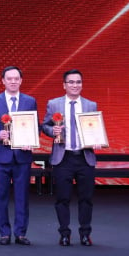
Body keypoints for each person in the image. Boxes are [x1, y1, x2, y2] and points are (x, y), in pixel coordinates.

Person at [41, 69, 101, 247]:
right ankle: (64, 234)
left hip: (85, 157)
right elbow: (45, 125)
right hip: (63, 158)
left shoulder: (91, 105)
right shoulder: (54, 104)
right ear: (64, 85)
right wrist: (53, 131)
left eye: (78, 82)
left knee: (86, 198)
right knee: (62, 198)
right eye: (71, 82)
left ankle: (85, 234)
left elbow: (94, 127)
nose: (75, 85)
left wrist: (96, 139)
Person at [0, 66, 36, 246]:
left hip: (22, 156)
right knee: (1, 196)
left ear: (21, 81)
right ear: (3, 81)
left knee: (22, 196)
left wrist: (31, 139)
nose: (13, 81)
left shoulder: (30, 101)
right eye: (9, 78)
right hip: (1, 156)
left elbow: (33, 125)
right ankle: (4, 233)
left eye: (16, 78)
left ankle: (21, 233)